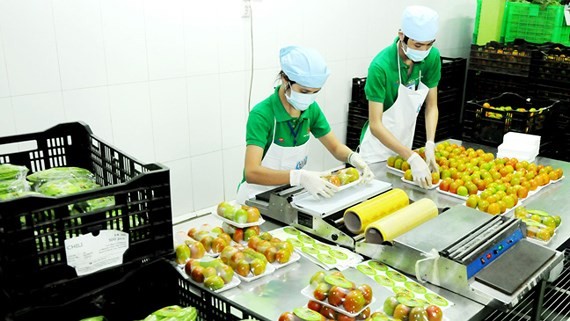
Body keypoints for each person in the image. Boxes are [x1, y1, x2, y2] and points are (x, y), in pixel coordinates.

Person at [236, 46, 374, 204]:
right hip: (255, 198)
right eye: (304, 91)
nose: (309, 98)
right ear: (285, 80)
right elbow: (252, 172)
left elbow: (335, 148)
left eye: (315, 92)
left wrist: (354, 158)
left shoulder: (311, 109)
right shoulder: (263, 114)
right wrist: (299, 176)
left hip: (288, 195)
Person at [359, 5, 441, 189]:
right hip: (376, 152)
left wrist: (429, 142)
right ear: (402, 35)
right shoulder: (381, 67)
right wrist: (411, 157)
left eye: (429, 44)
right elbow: (375, 125)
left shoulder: (432, 57)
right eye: (417, 45)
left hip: (404, 146)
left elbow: (431, 106)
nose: (423, 50)